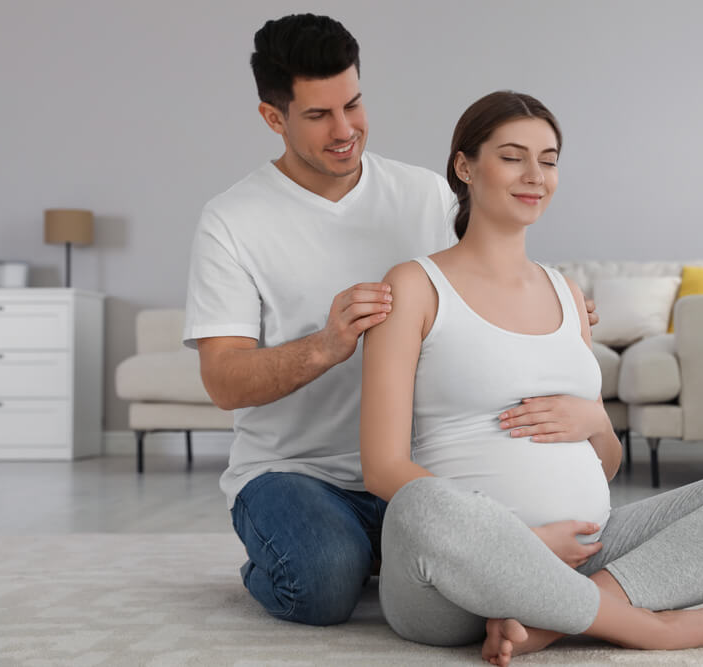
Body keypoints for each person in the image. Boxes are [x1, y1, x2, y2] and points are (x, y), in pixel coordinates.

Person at [360, 91, 703, 665]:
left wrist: (597, 420)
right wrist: (518, 546)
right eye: (513, 156)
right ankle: (654, 629)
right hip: (452, 576)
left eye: (549, 160)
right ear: (464, 166)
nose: (535, 175)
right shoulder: (413, 287)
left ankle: (550, 623)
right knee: (419, 505)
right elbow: (381, 467)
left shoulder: (568, 294)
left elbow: (604, 463)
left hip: (584, 550)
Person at [182, 15, 598, 627]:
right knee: (322, 585)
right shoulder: (231, 222)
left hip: (420, 468)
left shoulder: (424, 195)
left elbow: (492, 273)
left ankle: (398, 557)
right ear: (275, 118)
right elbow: (222, 383)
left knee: (551, 538)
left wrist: (560, 310)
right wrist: (325, 346)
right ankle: (303, 556)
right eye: (319, 115)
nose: (346, 130)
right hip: (298, 473)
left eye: (353, 103)